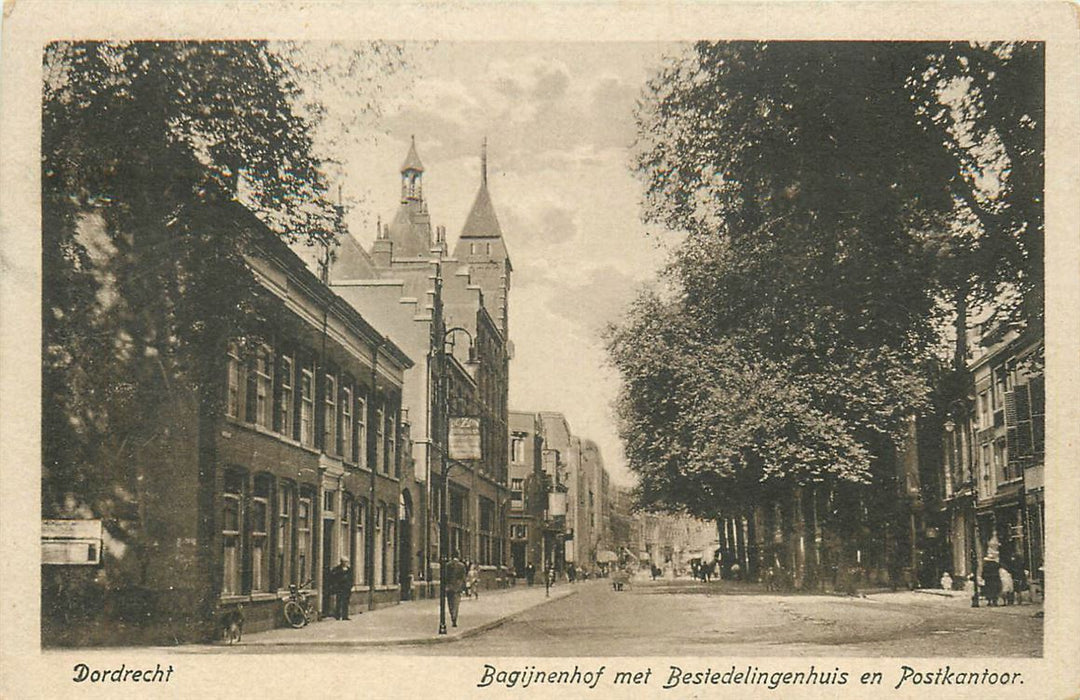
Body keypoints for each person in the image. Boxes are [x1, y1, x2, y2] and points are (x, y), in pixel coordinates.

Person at [445, 551, 467, 627]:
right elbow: (463, 577)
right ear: (458, 556)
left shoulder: (448, 565)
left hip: (449, 587)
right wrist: (464, 588)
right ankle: (454, 618)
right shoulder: (462, 566)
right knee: (456, 604)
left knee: (450, 603)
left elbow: (445, 576)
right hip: (458, 587)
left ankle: (452, 615)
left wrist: (446, 586)